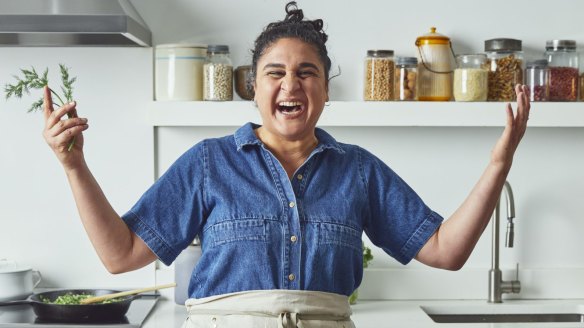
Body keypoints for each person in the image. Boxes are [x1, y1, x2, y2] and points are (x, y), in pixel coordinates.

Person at [42, 2, 530, 327]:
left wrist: (498, 163)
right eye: (275, 73)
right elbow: (121, 254)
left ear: (325, 89)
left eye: (306, 72)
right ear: (254, 86)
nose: (290, 85)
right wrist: (74, 168)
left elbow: (446, 250)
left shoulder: (358, 171)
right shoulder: (210, 163)